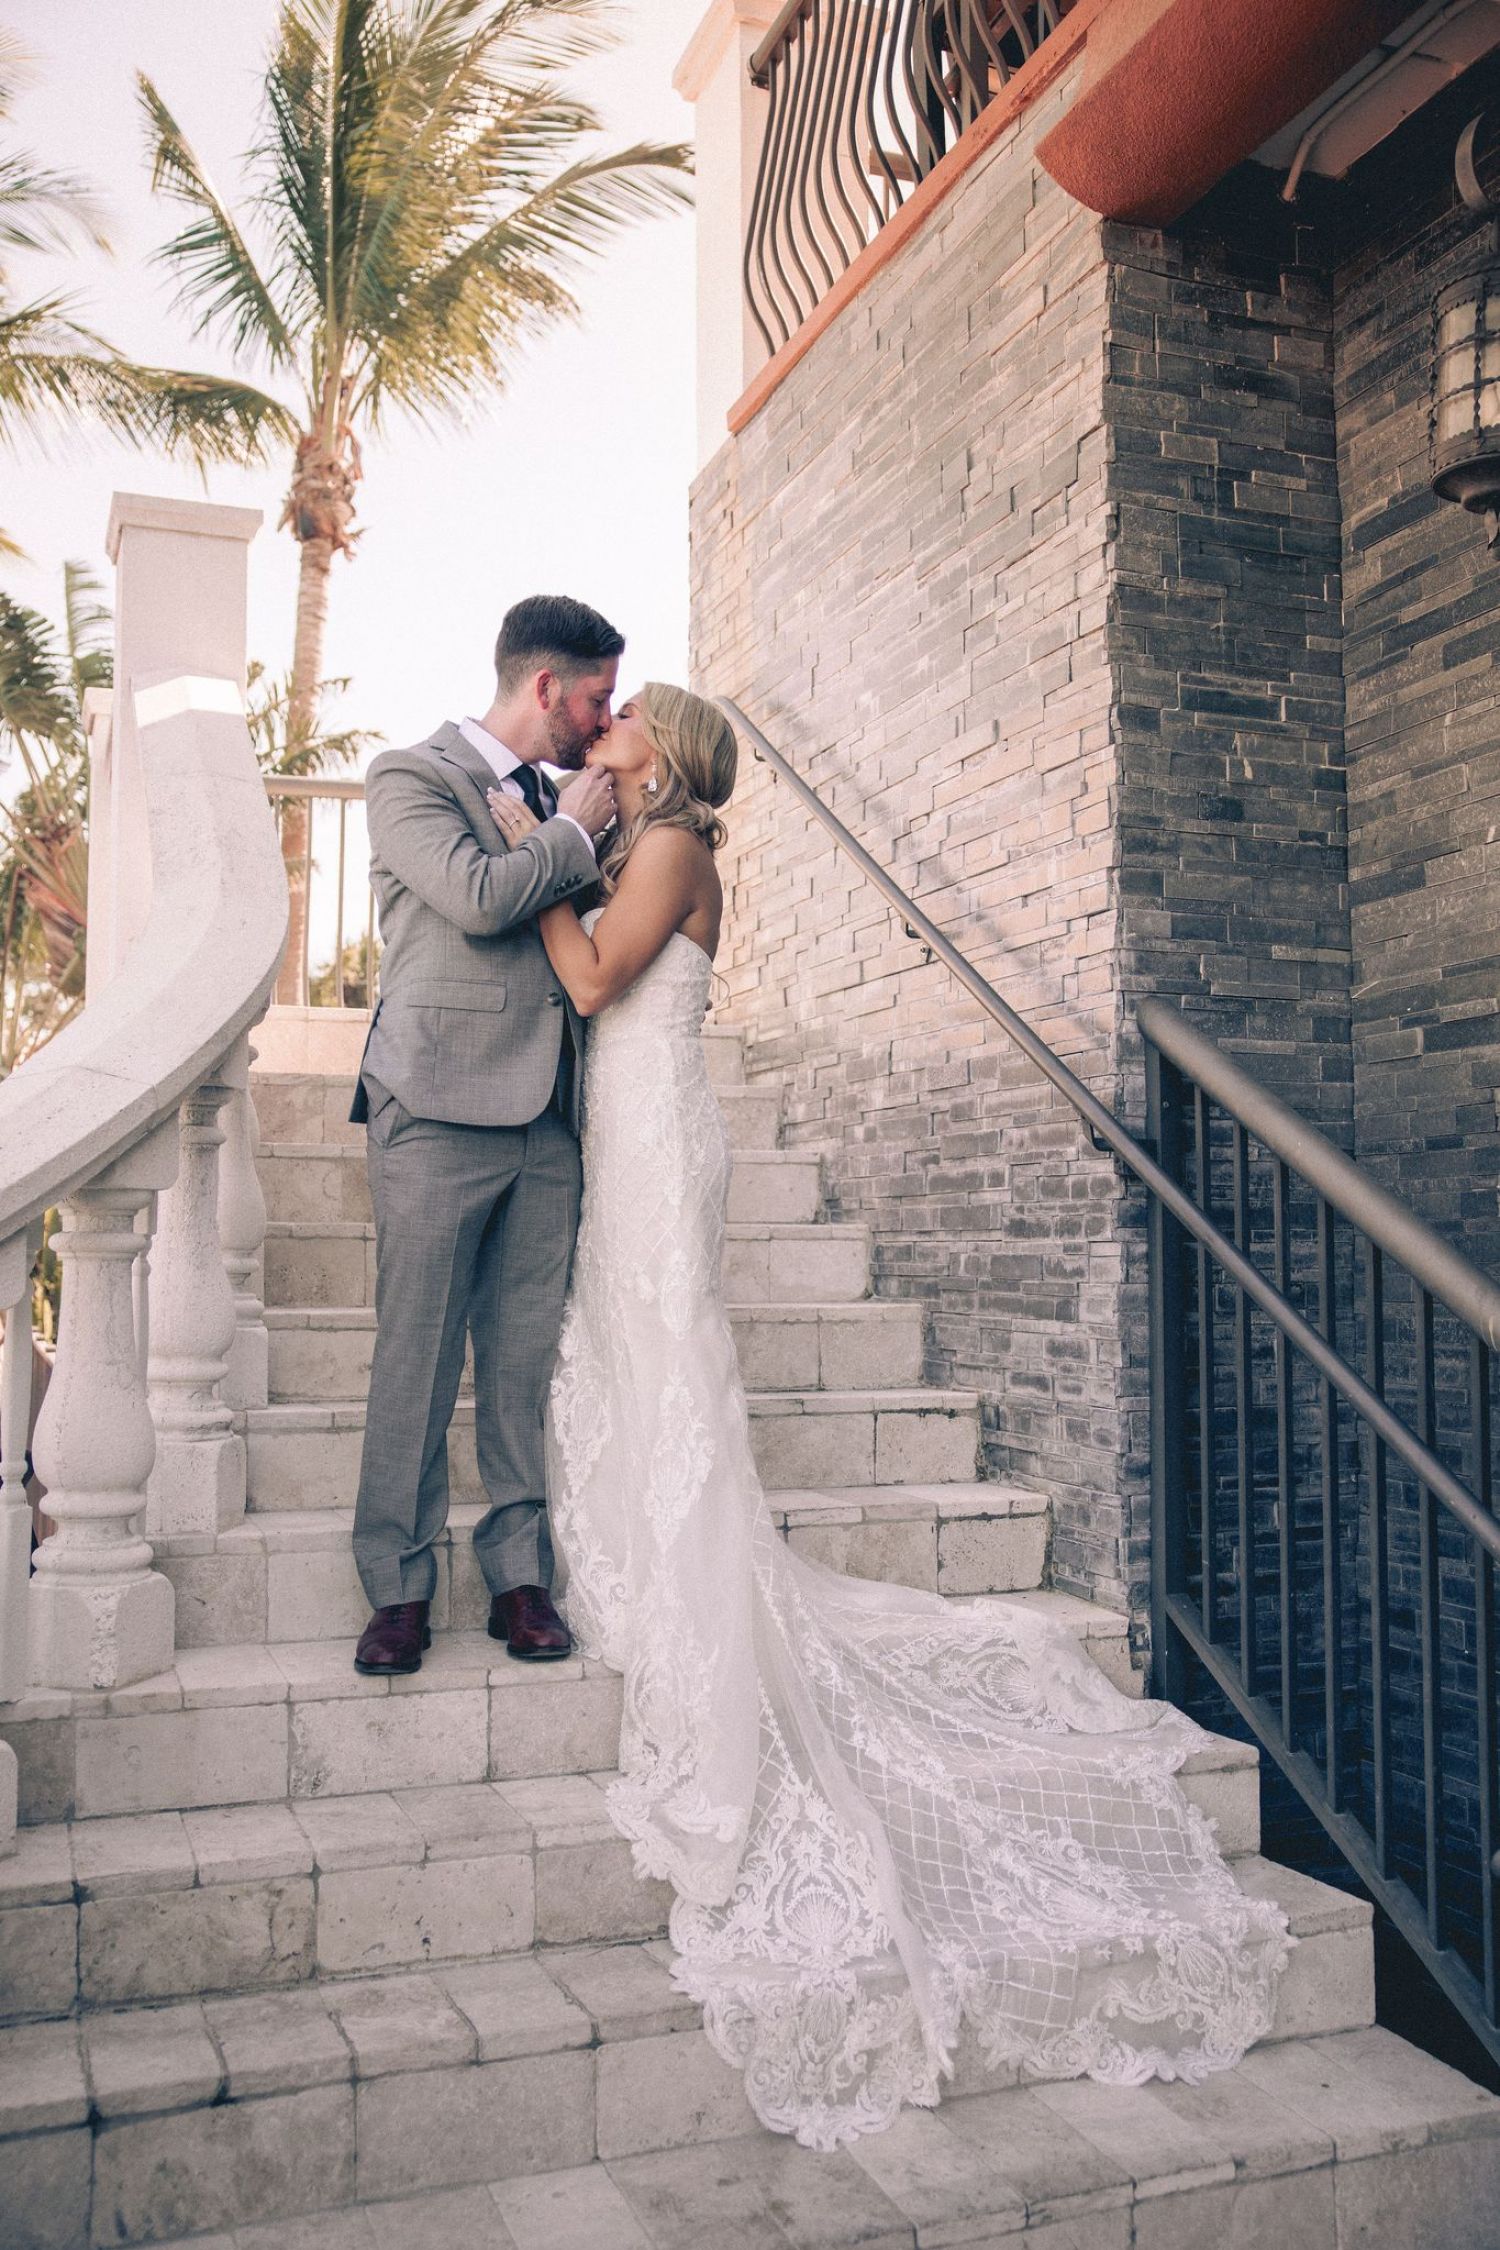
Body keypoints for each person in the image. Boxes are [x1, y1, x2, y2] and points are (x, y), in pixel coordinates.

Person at [487, 682, 1291, 2152]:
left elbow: (597, 982)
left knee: (667, 1347)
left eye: (622, 723)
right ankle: (642, 1549)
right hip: (628, 1128)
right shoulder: (638, 840)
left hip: (661, 1136)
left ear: (655, 750)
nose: (601, 730)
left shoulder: (673, 853)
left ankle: (695, 1581)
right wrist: (562, 853)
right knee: (633, 1351)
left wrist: (530, 852)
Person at [348, 595, 621, 1677]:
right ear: (545, 686)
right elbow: (474, 896)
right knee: (414, 1356)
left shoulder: (570, 806)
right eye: (594, 700)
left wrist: (573, 836)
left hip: (548, 1116)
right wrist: (569, 838)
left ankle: (520, 1576)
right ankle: (398, 1586)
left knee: (521, 1359)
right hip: (433, 1102)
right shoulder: (409, 776)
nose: (601, 725)